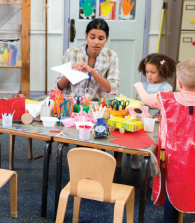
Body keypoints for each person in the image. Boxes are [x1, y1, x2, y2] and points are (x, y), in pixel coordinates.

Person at [133, 59, 195, 223]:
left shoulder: (167, 98)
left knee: (173, 188)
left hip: (173, 158)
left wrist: (139, 85)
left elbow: (145, 99)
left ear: (179, 83)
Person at [54, 18, 119, 101]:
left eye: (101, 38)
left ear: (106, 39)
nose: (96, 42)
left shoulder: (111, 56)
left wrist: (92, 71)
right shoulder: (71, 53)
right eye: (92, 37)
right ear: (86, 36)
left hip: (95, 107)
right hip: (71, 105)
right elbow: (58, 87)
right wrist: (69, 72)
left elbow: (114, 89)